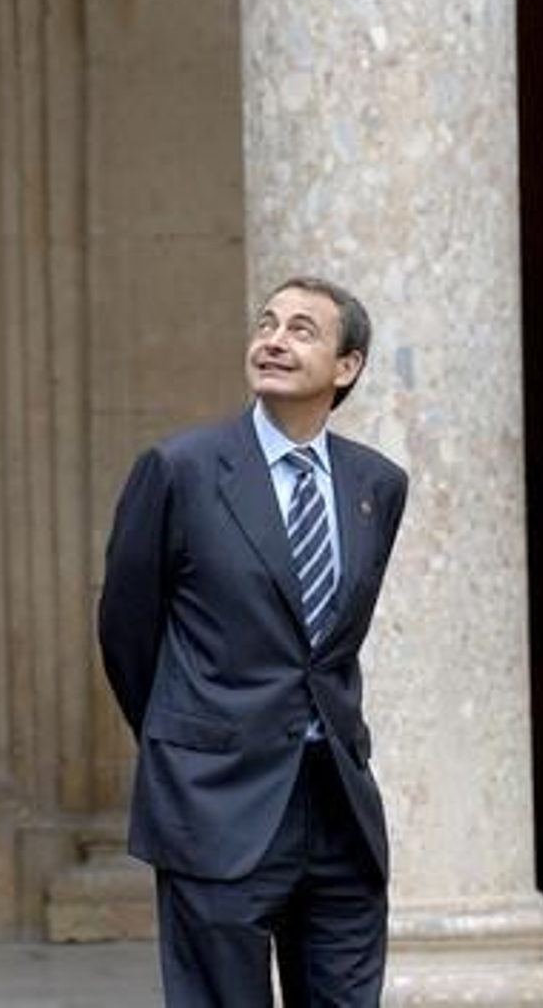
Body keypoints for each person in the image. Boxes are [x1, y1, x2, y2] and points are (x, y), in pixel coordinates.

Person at [98, 276, 408, 1007]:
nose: (273, 339)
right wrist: (192, 738)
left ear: (347, 367)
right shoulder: (180, 470)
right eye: (266, 323)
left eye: (302, 329)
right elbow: (125, 631)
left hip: (337, 804)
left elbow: (329, 642)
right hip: (215, 803)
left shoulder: (378, 484)